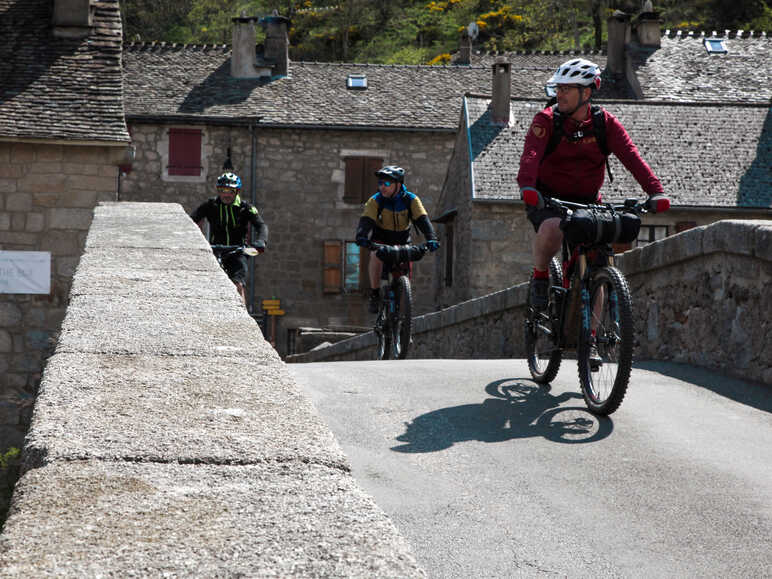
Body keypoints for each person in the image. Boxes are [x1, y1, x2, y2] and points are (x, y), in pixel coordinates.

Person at [517, 58, 670, 312]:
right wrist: (527, 187)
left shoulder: (604, 124)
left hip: (588, 200)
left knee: (598, 260)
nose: (559, 94)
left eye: (566, 89)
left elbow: (632, 158)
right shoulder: (546, 120)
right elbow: (530, 156)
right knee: (553, 228)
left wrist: (656, 191)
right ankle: (541, 277)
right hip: (547, 198)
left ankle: (595, 338)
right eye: (558, 88)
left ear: (586, 92)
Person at [355, 165, 440, 313]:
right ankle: (374, 294)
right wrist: (361, 236)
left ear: (398, 184)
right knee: (375, 255)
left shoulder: (411, 200)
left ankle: (402, 320)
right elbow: (366, 220)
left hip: (402, 240)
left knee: (404, 280)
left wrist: (431, 238)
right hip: (380, 239)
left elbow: (422, 220)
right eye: (380, 183)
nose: (382, 187)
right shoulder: (375, 201)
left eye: (387, 183)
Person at [190, 172, 268, 304]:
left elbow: (261, 225)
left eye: (230, 191)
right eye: (222, 190)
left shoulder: (245, 208)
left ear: (237, 191)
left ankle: (242, 315)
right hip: (215, 249)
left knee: (237, 283)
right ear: (218, 191)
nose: (226, 194)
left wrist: (261, 241)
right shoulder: (211, 205)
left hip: (238, 251)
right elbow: (191, 222)